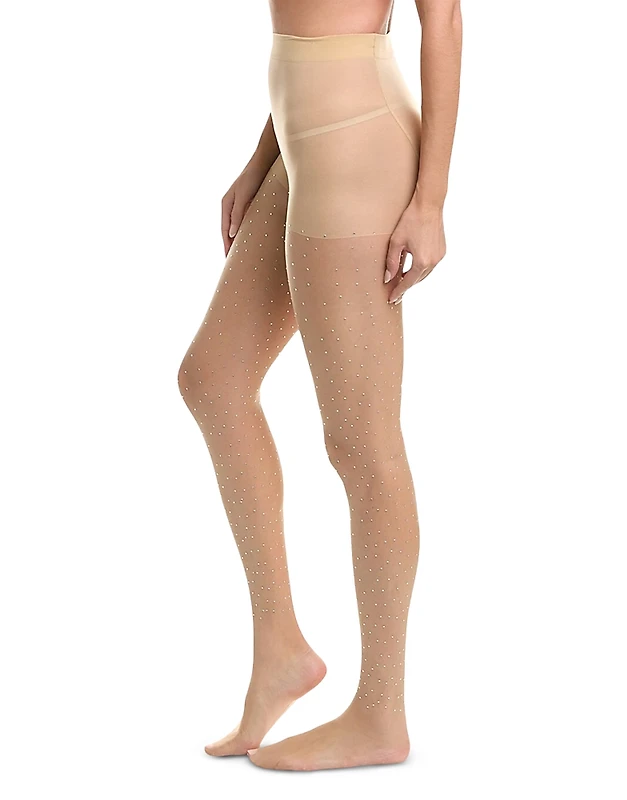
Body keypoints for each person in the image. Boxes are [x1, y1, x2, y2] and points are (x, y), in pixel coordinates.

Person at [178, 0, 462, 771]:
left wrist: (430, 202)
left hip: (358, 145)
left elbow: (442, 19)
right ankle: (281, 647)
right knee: (213, 379)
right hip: (299, 141)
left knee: (361, 443)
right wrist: (260, 157)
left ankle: (380, 714)